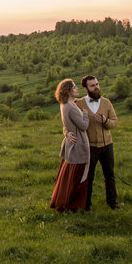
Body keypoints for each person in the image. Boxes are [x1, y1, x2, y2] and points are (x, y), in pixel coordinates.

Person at [76, 75, 119, 210]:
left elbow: (115, 122)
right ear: (85, 88)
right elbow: (69, 121)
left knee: (110, 175)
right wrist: (68, 133)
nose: (96, 87)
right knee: (88, 177)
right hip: (90, 147)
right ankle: (86, 205)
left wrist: (105, 121)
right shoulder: (79, 104)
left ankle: (112, 203)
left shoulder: (106, 103)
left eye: (97, 84)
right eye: (92, 85)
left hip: (107, 145)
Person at [48, 78, 90, 212]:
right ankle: (71, 205)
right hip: (78, 145)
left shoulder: (65, 104)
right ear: (69, 91)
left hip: (71, 144)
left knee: (68, 177)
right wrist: (85, 114)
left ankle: (66, 203)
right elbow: (83, 126)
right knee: (76, 178)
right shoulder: (70, 107)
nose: (77, 89)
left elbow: (66, 125)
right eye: (74, 87)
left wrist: (66, 133)